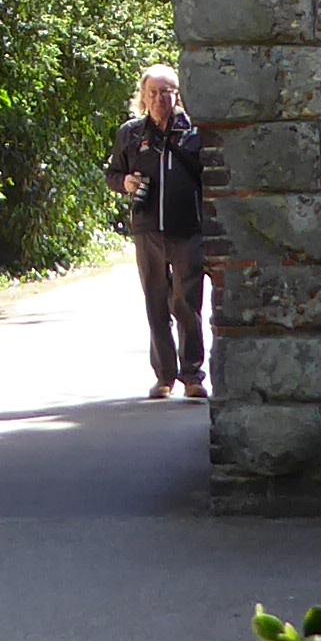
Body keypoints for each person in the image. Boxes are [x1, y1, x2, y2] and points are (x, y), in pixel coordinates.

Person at [104, 65, 213, 401]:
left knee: (187, 303)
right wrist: (125, 182)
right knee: (155, 303)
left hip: (188, 228)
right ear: (143, 96)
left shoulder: (194, 132)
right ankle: (164, 376)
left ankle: (192, 376)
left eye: (166, 92)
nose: (159, 99)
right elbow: (112, 174)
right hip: (147, 230)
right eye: (152, 93)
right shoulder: (131, 134)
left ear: (177, 95)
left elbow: (211, 177)